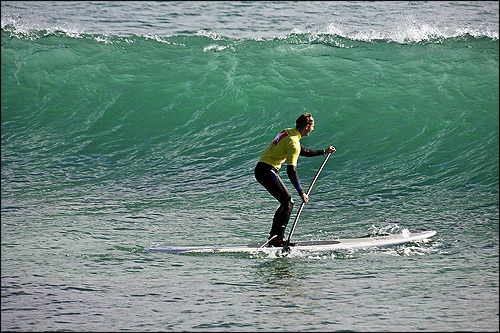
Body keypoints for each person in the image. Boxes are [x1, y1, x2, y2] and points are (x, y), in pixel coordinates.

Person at [254, 113, 336, 247]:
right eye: (312, 126)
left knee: (284, 202)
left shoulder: (288, 132)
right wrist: (301, 193)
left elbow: (303, 150)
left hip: (261, 169)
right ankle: (278, 239)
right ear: (306, 126)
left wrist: (324, 151)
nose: (313, 129)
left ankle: (274, 237)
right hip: (266, 171)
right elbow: (291, 170)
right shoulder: (293, 143)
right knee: (288, 202)